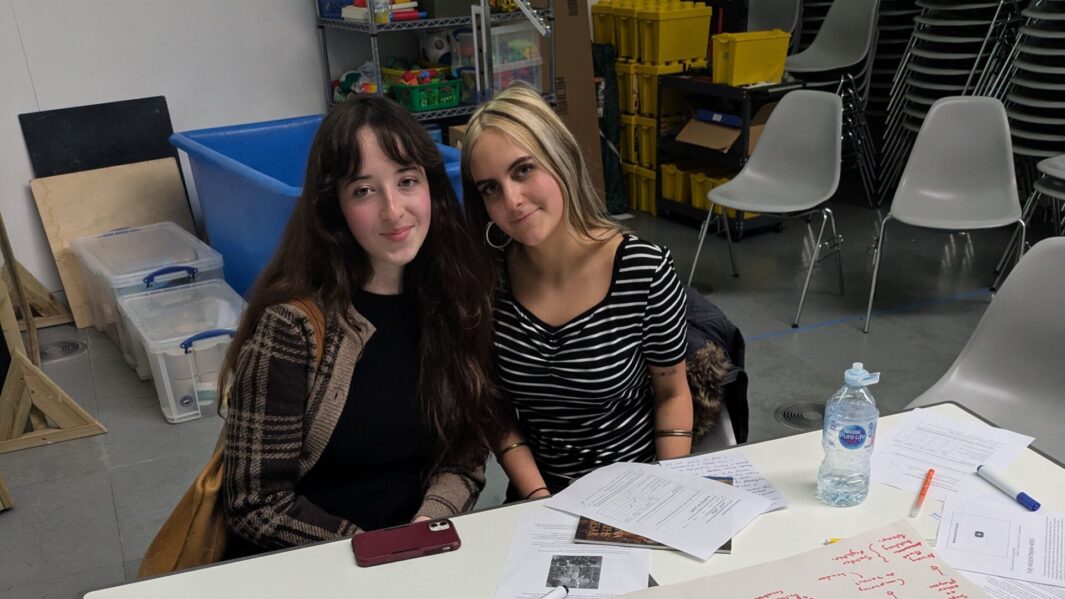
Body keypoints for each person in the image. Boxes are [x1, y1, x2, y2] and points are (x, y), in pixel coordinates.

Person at [219, 95, 506, 557]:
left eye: (407, 181)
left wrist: (425, 526)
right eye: (364, 190)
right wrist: (370, 550)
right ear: (335, 208)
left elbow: (464, 454)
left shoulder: (453, 304)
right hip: (309, 564)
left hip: (412, 556)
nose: (394, 211)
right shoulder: (292, 328)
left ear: (430, 187)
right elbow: (256, 503)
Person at [460, 84, 694, 500]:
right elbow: (494, 409)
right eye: (490, 188)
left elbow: (672, 393)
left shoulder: (643, 269)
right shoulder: (487, 280)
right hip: (539, 496)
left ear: (561, 159)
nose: (512, 200)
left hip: (635, 492)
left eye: (523, 170)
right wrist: (537, 498)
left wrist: (669, 492)